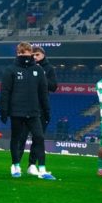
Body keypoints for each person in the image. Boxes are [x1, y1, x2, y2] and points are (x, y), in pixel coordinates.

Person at [0, 42, 53, 180]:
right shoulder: (10, 70)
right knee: (17, 139)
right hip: (17, 112)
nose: (24, 54)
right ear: (17, 53)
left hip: (34, 112)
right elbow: (5, 92)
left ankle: (42, 169)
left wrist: (47, 111)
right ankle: (15, 165)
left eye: (27, 52)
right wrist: (4, 110)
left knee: (39, 137)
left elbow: (43, 93)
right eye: (21, 52)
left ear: (30, 53)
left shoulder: (38, 70)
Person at [29, 45, 59, 176]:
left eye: (37, 55)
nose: (35, 57)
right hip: (26, 105)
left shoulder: (49, 68)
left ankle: (32, 165)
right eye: (33, 55)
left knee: (38, 138)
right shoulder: (26, 67)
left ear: (43, 55)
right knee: (21, 137)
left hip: (41, 107)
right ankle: (16, 166)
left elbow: (53, 87)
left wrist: (41, 75)